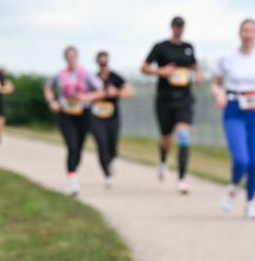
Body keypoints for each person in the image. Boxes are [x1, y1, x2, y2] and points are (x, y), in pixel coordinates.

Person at [211, 18, 255, 220]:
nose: (249, 34)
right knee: (241, 158)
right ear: (239, 33)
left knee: (254, 161)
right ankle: (233, 187)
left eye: (252, 31)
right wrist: (220, 94)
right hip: (234, 109)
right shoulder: (227, 58)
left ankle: (251, 203)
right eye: (245, 30)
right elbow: (215, 84)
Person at [141, 15, 202, 194]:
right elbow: (144, 68)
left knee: (184, 135)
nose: (179, 29)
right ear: (171, 27)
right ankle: (163, 160)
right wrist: (161, 71)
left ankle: (182, 179)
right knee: (166, 138)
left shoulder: (188, 48)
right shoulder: (160, 47)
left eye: (181, 26)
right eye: (176, 26)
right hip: (165, 99)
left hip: (184, 99)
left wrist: (197, 74)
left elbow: (195, 65)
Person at [44, 46, 104, 196]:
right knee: (71, 145)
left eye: (73, 55)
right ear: (65, 57)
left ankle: (74, 170)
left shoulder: (86, 73)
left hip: (83, 112)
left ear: (77, 56)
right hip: (65, 113)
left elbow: (100, 91)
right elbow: (48, 88)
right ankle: (73, 180)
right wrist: (52, 102)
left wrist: (86, 97)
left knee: (79, 146)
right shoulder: (59, 74)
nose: (71, 58)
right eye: (68, 56)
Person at [89, 51, 132, 188]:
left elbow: (129, 92)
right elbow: (85, 94)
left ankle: (112, 160)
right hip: (96, 117)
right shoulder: (92, 78)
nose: (103, 64)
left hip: (112, 117)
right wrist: (97, 95)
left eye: (105, 62)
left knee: (112, 145)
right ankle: (107, 175)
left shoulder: (115, 77)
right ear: (97, 62)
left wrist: (116, 92)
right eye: (101, 62)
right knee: (101, 143)